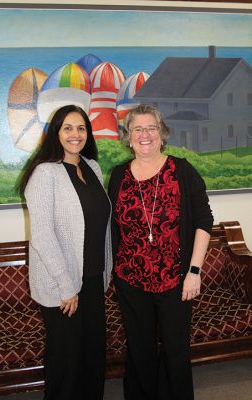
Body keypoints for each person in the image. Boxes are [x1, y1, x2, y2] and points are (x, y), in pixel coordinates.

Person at [108, 104, 213, 400]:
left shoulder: (182, 171)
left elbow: (204, 221)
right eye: (137, 129)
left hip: (175, 280)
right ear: (128, 137)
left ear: (162, 134)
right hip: (130, 280)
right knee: (139, 350)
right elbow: (111, 227)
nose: (144, 135)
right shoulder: (117, 176)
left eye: (151, 128)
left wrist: (194, 271)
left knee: (175, 350)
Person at [18, 104, 112, 400]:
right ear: (55, 133)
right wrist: (67, 287)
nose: (75, 134)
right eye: (68, 128)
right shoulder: (45, 173)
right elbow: (43, 237)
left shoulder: (92, 167)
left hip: (94, 278)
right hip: (64, 286)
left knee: (94, 355)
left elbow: (102, 223)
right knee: (66, 362)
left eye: (81, 128)